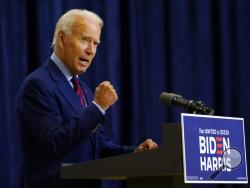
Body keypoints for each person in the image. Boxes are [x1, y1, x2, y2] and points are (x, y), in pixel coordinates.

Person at [15, 9, 158, 188]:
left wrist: (134, 153)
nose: (91, 50)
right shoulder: (37, 85)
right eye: (84, 40)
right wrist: (98, 107)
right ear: (61, 39)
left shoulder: (84, 90)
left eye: (96, 43)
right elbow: (56, 143)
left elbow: (100, 147)